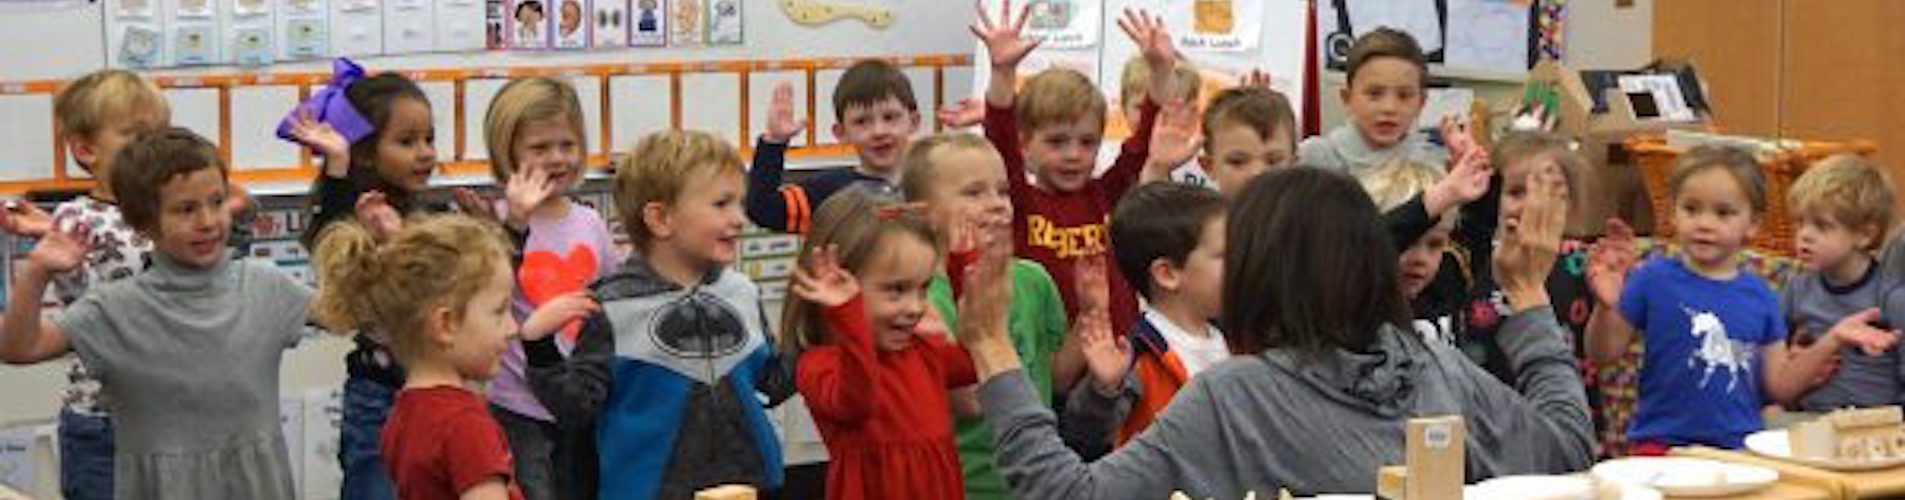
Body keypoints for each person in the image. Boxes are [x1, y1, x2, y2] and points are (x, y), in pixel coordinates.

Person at [952, 166, 1595, 498]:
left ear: (1265, 273)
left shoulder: (1238, 396)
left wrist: (995, 353)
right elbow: (1568, 451)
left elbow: (1068, 494)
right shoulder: (1431, 365)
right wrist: (1530, 298)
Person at [0, 128, 317, 499]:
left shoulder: (264, 285)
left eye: (217, 202)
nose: (208, 221)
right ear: (142, 223)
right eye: (186, 209)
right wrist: (36, 272)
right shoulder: (116, 308)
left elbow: (348, 312)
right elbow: (20, 348)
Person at [525, 130, 796, 499]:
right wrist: (539, 347)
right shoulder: (613, 304)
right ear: (661, 219)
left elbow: (773, 382)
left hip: (749, 484)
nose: (739, 218)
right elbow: (576, 408)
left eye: (740, 203)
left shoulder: (740, 291)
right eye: (721, 204)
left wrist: (820, 322)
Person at [1583, 146, 1884, 452]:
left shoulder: (1762, 295)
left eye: (1723, 213)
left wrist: (1833, 338)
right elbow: (1603, 353)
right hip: (1662, 447)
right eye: (1691, 209)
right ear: (1673, 213)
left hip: (1740, 452)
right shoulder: (1651, 277)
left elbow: (1779, 386)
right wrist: (1606, 307)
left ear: (1752, 223)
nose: (1704, 223)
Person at [971, 4, 1198, 390]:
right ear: (1026, 145)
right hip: (1054, 361)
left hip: (1118, 354)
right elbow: (1000, 138)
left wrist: (1161, 71)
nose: (1074, 154)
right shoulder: (1021, 202)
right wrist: (1003, 73)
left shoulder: (1107, 194)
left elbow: (1141, 142)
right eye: (1057, 142)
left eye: (1087, 142)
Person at [313, 215, 598, 500]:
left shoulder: (403, 413)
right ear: (446, 324)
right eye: (499, 312)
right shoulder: (465, 425)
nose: (512, 328)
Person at [283, 59, 444, 500]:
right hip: (380, 397)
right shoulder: (358, 217)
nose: (426, 152)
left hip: (442, 393)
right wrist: (338, 165)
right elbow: (329, 243)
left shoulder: (433, 216)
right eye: (408, 141)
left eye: (430, 138)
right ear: (369, 152)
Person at [897, 132, 1069, 500]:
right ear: (923, 213)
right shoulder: (919, 299)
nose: (997, 205)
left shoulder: (1034, 280)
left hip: (1037, 481)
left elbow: (1052, 376)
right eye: (974, 193)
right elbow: (970, 403)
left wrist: (1092, 317)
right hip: (966, 486)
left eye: (1003, 191)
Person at [477, 76, 620, 500]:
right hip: (517, 403)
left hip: (579, 397)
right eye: (540, 149)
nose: (557, 158)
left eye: (567, 145)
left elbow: (610, 296)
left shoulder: (588, 221)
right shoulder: (498, 222)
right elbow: (486, 293)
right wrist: (515, 224)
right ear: (508, 153)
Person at [784, 192, 976, 500]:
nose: (915, 307)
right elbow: (859, 400)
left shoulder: (922, 349)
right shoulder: (819, 365)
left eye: (923, 288)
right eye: (896, 290)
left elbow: (972, 362)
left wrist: (963, 270)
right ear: (838, 287)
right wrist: (847, 316)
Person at [1063, 182, 1228, 452]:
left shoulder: (1239, 340)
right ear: (1167, 274)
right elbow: (1085, 439)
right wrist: (1104, 390)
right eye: (1224, 255)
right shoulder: (1138, 359)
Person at [1778, 154, 1905, 411]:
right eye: (1801, 222)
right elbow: (1775, 364)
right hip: (1808, 421)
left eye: (1822, 226)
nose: (1805, 236)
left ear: (1864, 234)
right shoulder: (1797, 288)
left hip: (1874, 430)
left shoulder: (1892, 296)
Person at [746, 59, 920, 234]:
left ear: (913, 122)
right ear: (841, 132)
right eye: (861, 122)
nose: (879, 131)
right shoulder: (827, 191)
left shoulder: (933, 183)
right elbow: (763, 210)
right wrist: (774, 143)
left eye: (890, 117)